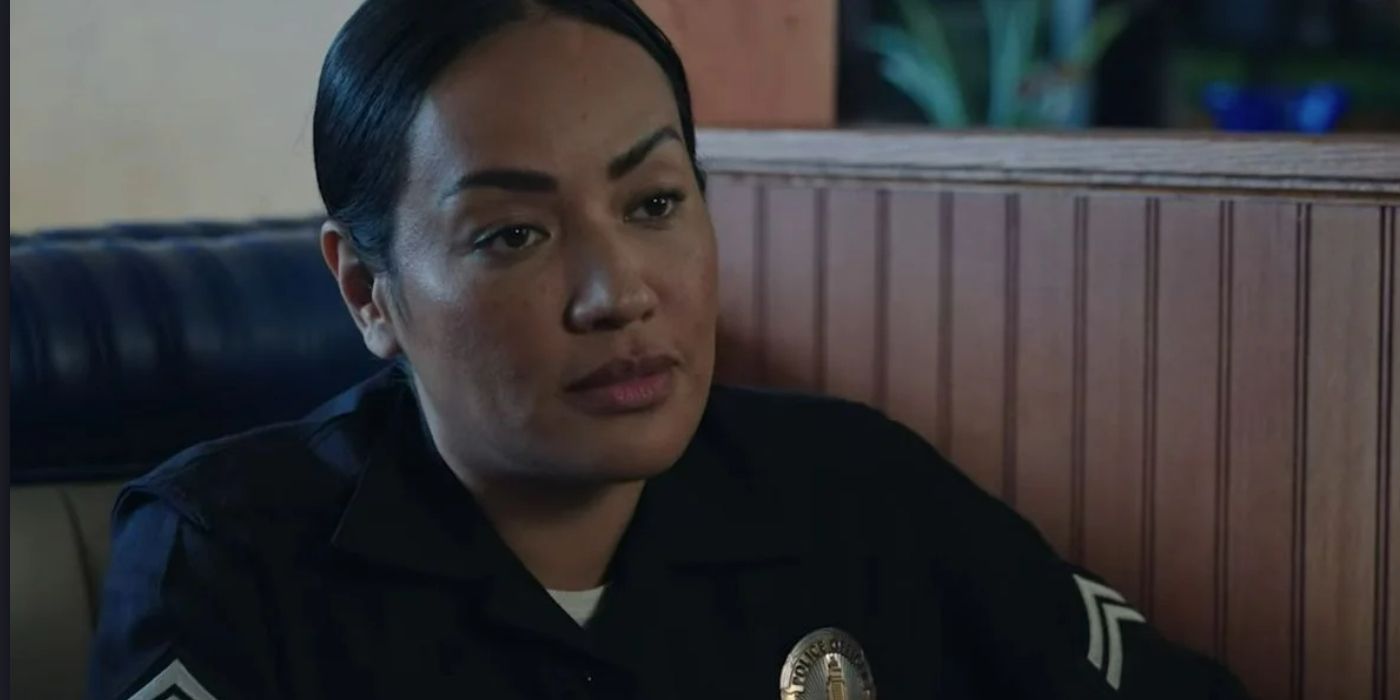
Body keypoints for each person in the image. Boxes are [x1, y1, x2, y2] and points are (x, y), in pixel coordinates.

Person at [87, 1, 1249, 698]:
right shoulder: (227, 561)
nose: (618, 294)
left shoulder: (859, 493)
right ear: (365, 288)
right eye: (512, 233)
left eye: (652, 204)